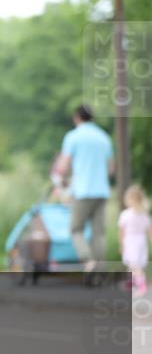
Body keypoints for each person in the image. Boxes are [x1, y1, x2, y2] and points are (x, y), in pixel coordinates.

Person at [54, 104, 115, 276]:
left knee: (76, 228)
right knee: (99, 233)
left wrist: (62, 177)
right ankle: (102, 269)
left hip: (83, 190)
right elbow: (111, 168)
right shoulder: (104, 137)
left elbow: (63, 166)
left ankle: (88, 261)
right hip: (102, 191)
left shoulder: (73, 137)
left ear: (77, 117)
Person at [118, 184, 150, 297]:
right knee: (135, 265)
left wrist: (121, 245)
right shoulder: (144, 215)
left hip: (130, 242)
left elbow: (121, 232)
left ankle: (142, 288)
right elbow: (149, 231)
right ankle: (131, 283)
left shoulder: (125, 214)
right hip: (141, 242)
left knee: (135, 267)